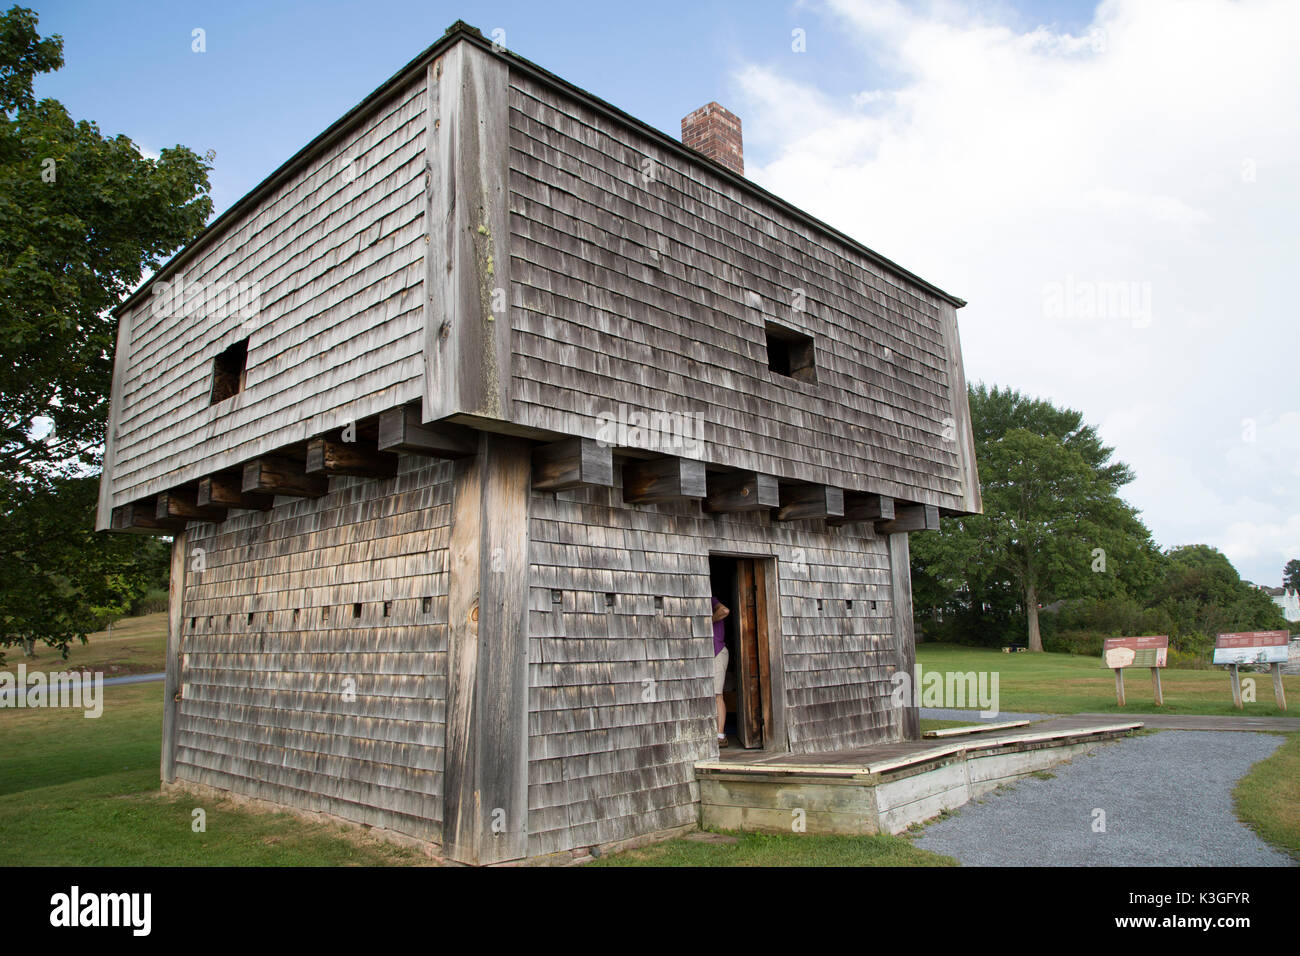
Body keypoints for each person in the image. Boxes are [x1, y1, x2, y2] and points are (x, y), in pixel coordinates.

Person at [711, 596, 730, 747]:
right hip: (708, 654)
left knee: (718, 694)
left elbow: (725, 610)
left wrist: (710, 620)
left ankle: (720, 735)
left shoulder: (712, 600)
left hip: (718, 652)